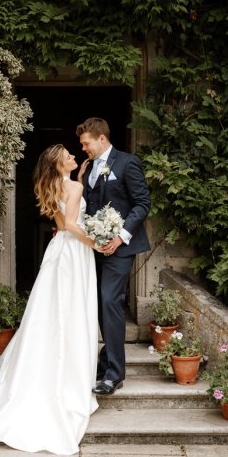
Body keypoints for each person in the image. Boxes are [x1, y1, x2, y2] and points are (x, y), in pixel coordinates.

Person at [0, 144, 101, 455]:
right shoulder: (75, 187)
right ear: (60, 163)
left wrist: (77, 176)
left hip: (57, 250)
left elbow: (63, 222)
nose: (74, 156)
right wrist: (98, 243)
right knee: (71, 312)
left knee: (52, 311)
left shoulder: (53, 185)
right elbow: (75, 225)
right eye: (69, 155)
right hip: (75, 252)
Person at [76, 118, 151, 395]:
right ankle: (107, 359)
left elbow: (143, 203)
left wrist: (120, 237)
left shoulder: (127, 163)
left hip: (120, 248)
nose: (83, 148)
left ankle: (114, 374)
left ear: (101, 138)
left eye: (86, 143)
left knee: (110, 300)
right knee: (98, 303)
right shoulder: (90, 167)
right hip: (93, 247)